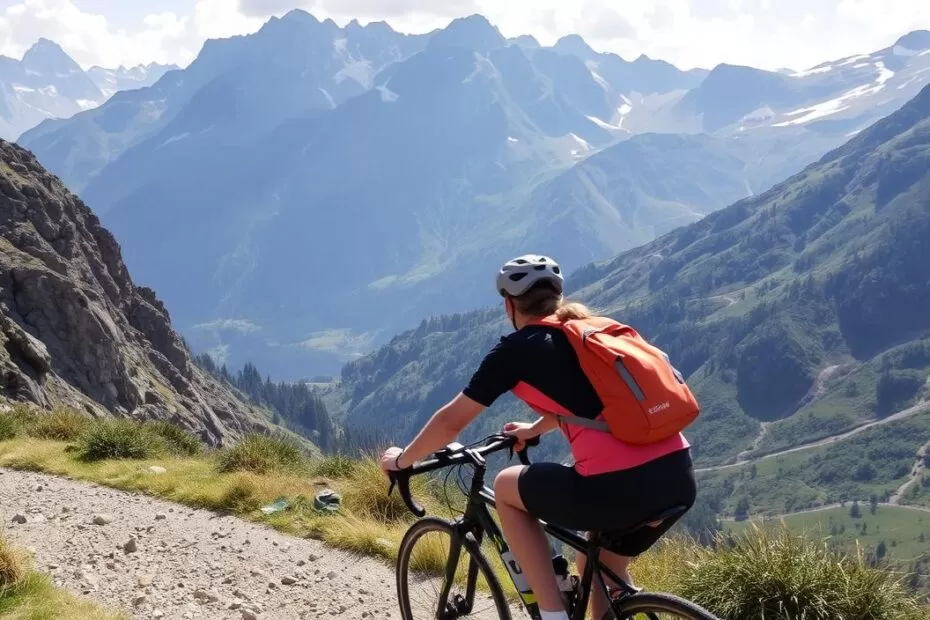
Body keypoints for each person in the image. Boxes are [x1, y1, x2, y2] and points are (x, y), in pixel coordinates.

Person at [380, 254, 697, 620]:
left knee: (505, 486)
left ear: (508, 305)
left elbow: (451, 422)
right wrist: (533, 429)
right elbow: (598, 404)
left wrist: (402, 461)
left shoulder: (516, 351)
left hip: (615, 488)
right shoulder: (590, 332)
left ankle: (551, 614)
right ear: (557, 298)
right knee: (596, 568)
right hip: (677, 477)